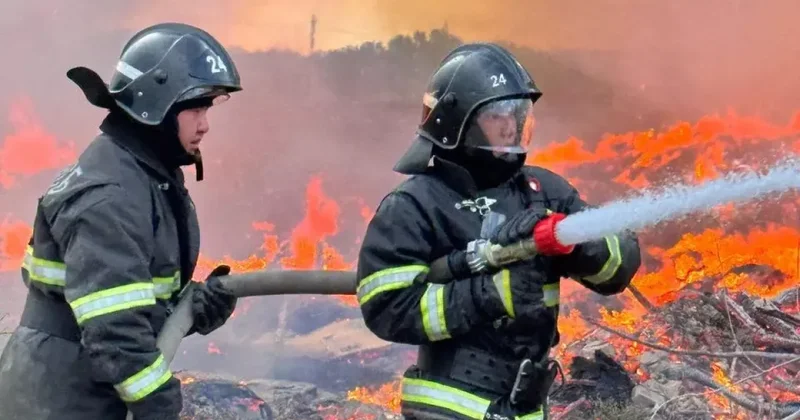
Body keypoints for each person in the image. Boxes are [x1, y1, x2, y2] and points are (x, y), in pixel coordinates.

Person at [356, 42, 642, 420]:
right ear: (458, 123)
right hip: (448, 405)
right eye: (496, 115)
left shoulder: (542, 192)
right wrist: (490, 294)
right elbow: (387, 308)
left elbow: (620, 266)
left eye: (517, 114)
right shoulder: (415, 204)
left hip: (525, 404)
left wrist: (574, 243)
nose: (511, 125)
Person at [0, 22, 242, 420]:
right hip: (59, 397)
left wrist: (188, 309)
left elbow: (124, 297)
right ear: (158, 106)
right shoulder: (110, 195)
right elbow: (115, 331)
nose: (205, 124)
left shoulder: (142, 175)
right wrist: (160, 406)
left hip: (76, 382)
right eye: (196, 108)